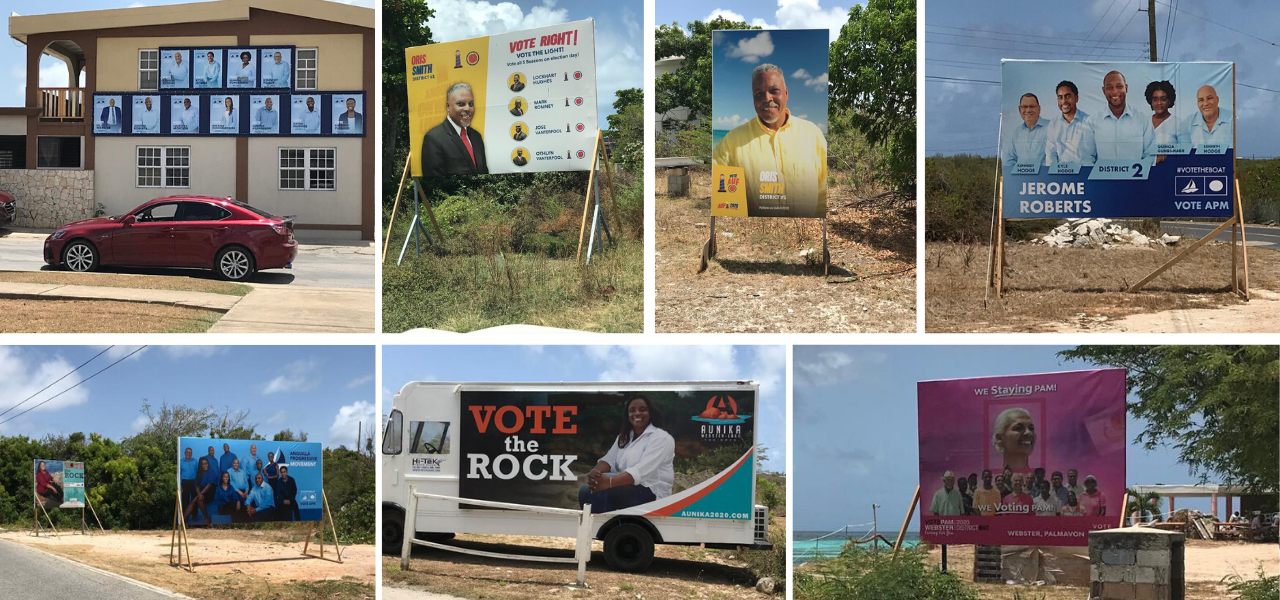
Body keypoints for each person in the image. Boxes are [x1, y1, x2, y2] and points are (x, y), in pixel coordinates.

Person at [712, 63, 827, 216]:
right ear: (753, 98)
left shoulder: (812, 134)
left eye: (774, 91)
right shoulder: (731, 142)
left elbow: (823, 191)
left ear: (786, 93)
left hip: (805, 235)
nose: (767, 98)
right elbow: (724, 200)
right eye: (759, 93)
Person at [579, 395, 676, 514]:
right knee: (585, 491)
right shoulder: (624, 437)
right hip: (627, 486)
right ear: (627, 415)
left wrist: (609, 482)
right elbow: (609, 460)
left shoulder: (661, 437)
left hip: (651, 493)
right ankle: (597, 527)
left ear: (650, 412)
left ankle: (604, 529)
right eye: (632, 410)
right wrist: (596, 473)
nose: (637, 413)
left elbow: (641, 471)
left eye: (642, 409)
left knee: (605, 491)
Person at [422, 82, 488, 176]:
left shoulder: (476, 136)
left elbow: (484, 171)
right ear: (448, 106)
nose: (467, 108)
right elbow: (434, 179)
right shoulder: (433, 138)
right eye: (461, 104)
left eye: (471, 104)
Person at [1094, 70, 1155, 161]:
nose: (1115, 92)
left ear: (1126, 88)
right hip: (1101, 175)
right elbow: (1087, 157)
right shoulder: (1093, 122)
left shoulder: (1142, 120)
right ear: (1104, 91)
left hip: (1137, 174)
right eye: (1110, 88)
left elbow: (1150, 154)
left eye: (1119, 87)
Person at [1046, 80, 1097, 165]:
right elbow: (1051, 155)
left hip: (1085, 174)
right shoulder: (1053, 124)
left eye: (1068, 96)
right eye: (1060, 97)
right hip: (1061, 175)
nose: (1064, 101)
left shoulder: (1089, 122)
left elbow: (1095, 155)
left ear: (1076, 98)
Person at [1181, 85, 1230, 151]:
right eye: (1201, 100)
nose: (1205, 103)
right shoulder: (1188, 123)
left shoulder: (1232, 120)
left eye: (1209, 98)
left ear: (1217, 100)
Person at [1003, 93, 1047, 166]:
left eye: (1032, 106)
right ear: (1019, 110)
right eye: (1024, 107)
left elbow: (1056, 159)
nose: (1028, 110)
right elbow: (1010, 160)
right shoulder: (1017, 132)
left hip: (1044, 176)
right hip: (1021, 177)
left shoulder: (1052, 128)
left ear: (1039, 109)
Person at [185, 456, 218, 525]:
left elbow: (209, 485)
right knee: (193, 501)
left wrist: (199, 495)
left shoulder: (211, 471)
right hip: (201, 491)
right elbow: (197, 485)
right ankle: (183, 520)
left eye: (206, 463)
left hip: (210, 491)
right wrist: (199, 494)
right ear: (200, 465)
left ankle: (206, 518)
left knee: (198, 500)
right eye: (203, 464)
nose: (205, 465)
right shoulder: (199, 473)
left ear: (208, 464)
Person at [1145, 80, 1178, 147]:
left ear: (1169, 101)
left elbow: (1185, 151)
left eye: (1163, 99)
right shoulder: (1144, 122)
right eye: (1155, 99)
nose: (1159, 103)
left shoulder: (1178, 124)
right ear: (1151, 101)